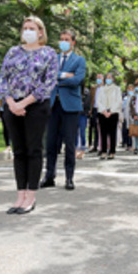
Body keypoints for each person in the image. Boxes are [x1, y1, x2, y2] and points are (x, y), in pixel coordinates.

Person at [0, 16, 58, 213]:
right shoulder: (13, 52)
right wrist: (11, 103)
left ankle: (31, 196)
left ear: (41, 32)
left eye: (32, 28)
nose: (28, 31)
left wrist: (24, 102)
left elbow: (48, 83)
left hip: (35, 106)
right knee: (19, 151)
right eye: (25, 27)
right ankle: (20, 195)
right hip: (12, 105)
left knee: (33, 149)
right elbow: (3, 78)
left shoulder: (49, 53)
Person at [42, 29, 86, 190]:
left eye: (66, 39)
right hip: (53, 105)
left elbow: (77, 80)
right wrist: (65, 75)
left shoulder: (79, 60)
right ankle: (49, 176)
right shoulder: (53, 59)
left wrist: (58, 78)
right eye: (61, 39)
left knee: (69, 143)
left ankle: (69, 178)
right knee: (51, 143)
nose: (63, 42)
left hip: (70, 107)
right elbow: (47, 78)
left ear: (73, 42)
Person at [96, 72, 122, 159]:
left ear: (113, 79)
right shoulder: (102, 89)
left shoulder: (117, 89)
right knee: (103, 133)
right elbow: (98, 101)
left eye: (110, 77)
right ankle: (103, 151)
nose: (108, 79)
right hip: (102, 113)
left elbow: (118, 101)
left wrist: (111, 111)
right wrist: (104, 111)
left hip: (113, 113)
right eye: (107, 77)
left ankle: (112, 152)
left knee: (112, 133)